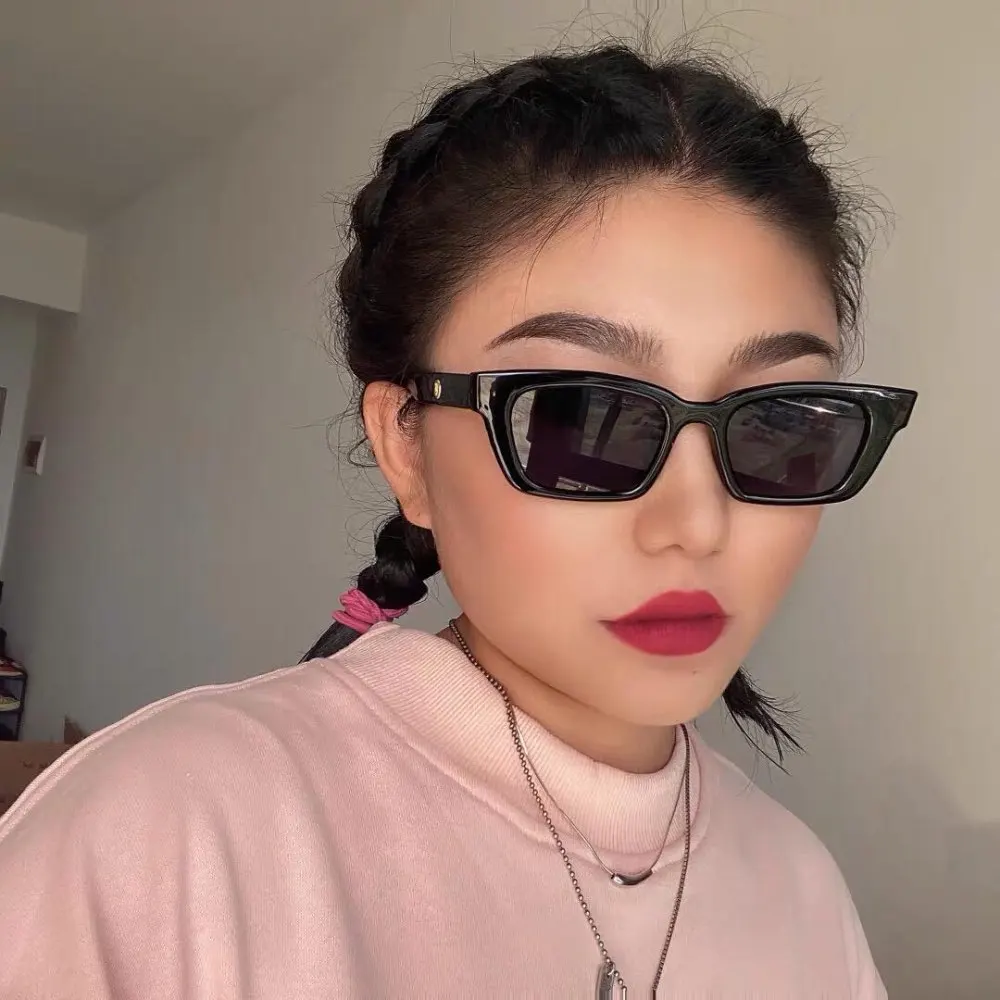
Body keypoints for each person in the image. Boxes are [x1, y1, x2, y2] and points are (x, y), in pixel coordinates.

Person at [0, 43, 916, 999]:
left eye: (778, 420)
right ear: (406, 446)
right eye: (576, 417)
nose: (697, 523)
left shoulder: (802, 888)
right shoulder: (165, 839)